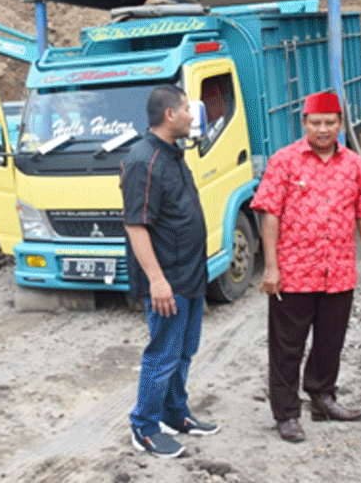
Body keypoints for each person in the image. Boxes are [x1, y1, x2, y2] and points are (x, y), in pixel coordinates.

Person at [250, 91, 361, 443]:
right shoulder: (285, 162)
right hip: (294, 273)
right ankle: (286, 414)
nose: (323, 129)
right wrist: (271, 266)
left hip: (338, 272)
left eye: (329, 122)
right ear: (304, 124)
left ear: (340, 124)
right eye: (316, 122)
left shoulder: (354, 165)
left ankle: (323, 398)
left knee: (330, 342)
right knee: (287, 347)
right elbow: (270, 214)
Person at [120, 84, 220, 458]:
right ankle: (144, 426)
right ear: (170, 115)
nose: (193, 116)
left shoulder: (173, 154)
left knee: (184, 351)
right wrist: (157, 281)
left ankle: (175, 414)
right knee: (163, 354)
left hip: (190, 275)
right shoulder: (141, 160)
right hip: (169, 280)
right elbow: (135, 225)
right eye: (187, 110)